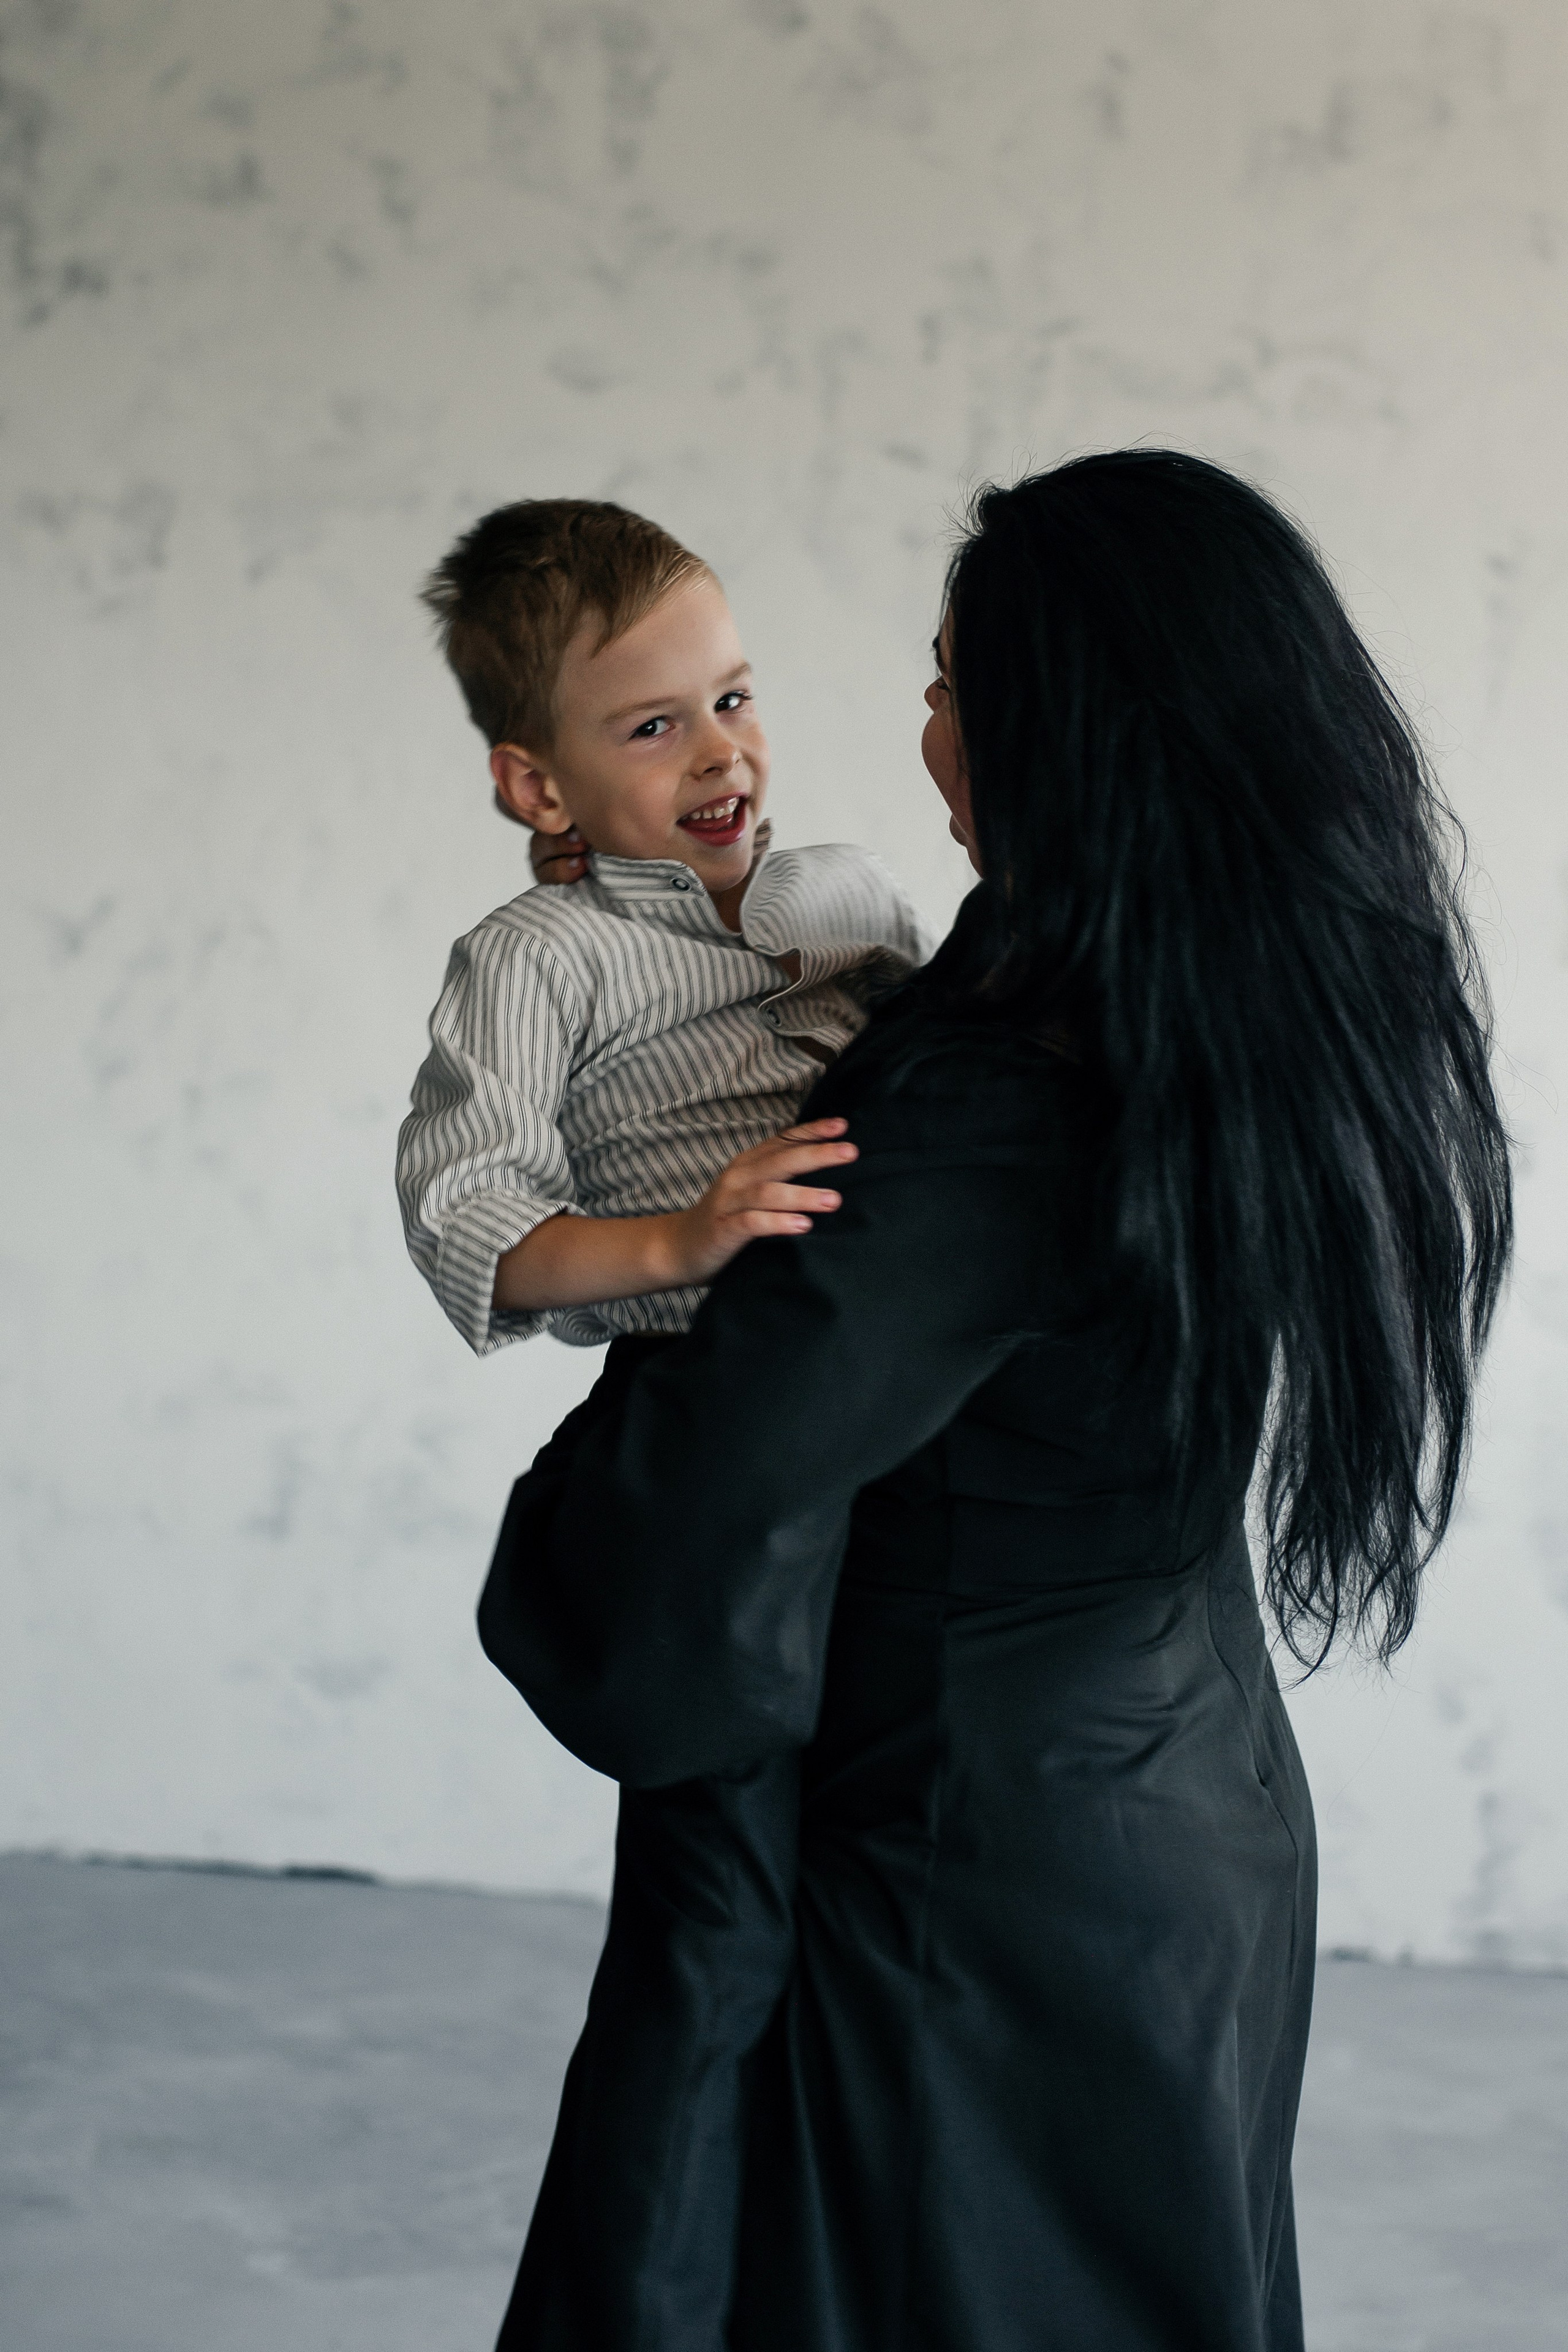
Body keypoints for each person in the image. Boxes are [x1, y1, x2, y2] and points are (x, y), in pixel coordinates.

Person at [482, 451, 1513, 2351]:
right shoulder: (1232, 1006)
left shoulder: (998, 1104)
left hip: (977, 1877)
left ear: (1066, 732)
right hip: (1184, 1804)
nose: (925, 726)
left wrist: (572, 1508)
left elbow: (697, 1514)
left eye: (955, 683)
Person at [394, 497, 933, 2342]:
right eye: (651, 726)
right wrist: (685, 1232)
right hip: (713, 1466)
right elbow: (468, 1218)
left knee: (880, 1923)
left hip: (895, 1450)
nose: (720, 751)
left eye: (733, 697)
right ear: (533, 789)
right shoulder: (534, 964)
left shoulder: (853, 901)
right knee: (710, 1936)